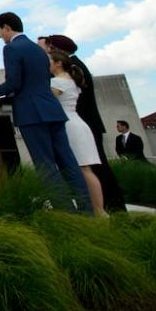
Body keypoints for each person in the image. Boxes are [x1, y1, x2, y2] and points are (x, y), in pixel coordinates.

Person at [0, 12, 90, 213]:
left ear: (7, 27)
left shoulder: (11, 49)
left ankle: (65, 212)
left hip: (31, 114)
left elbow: (14, 83)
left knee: (45, 165)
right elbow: (38, 81)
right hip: (52, 110)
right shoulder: (38, 49)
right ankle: (87, 211)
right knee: (68, 162)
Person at [39, 34, 127, 212]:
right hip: (83, 123)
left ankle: (108, 208)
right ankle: (105, 208)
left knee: (91, 169)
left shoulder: (67, 73)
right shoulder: (75, 68)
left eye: (45, 48)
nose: (43, 52)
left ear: (55, 51)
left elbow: (45, 98)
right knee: (91, 168)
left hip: (76, 124)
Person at [49, 52, 106, 216]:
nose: (48, 65)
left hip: (69, 126)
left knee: (82, 169)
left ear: (58, 63)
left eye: (50, 62)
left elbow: (48, 99)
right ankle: (99, 209)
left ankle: (98, 211)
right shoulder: (70, 80)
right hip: (78, 123)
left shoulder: (57, 82)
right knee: (86, 169)